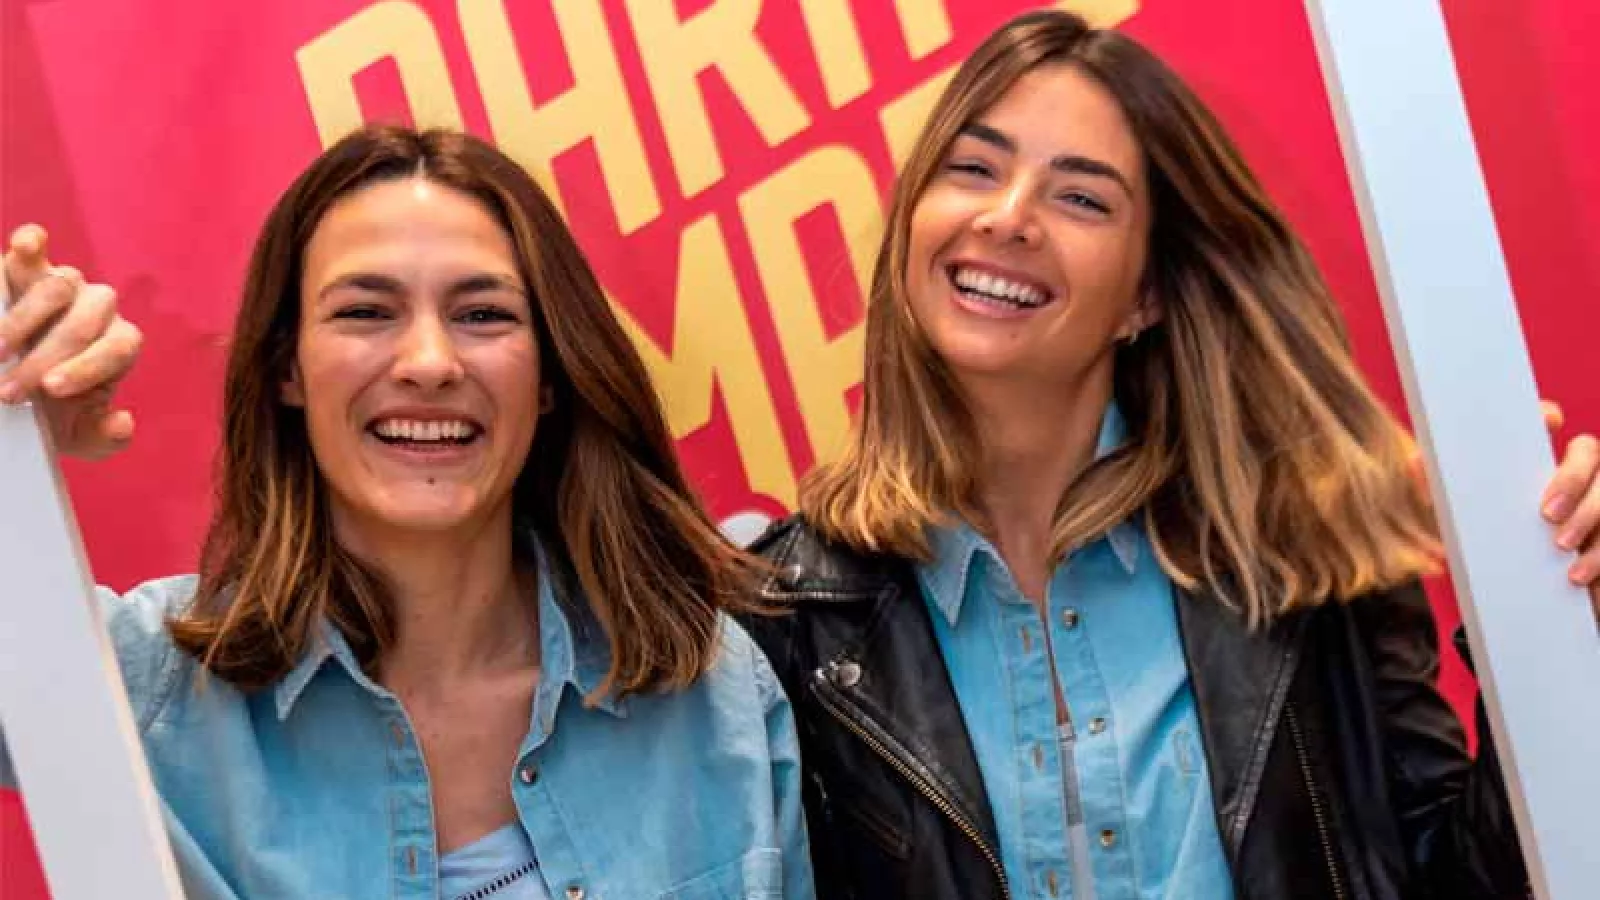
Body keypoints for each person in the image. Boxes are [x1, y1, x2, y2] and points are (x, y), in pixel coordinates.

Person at [742, 10, 1599, 900]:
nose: (1009, 217)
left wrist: (1557, 625)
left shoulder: (1303, 552)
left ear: (1144, 295)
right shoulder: (789, 620)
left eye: (1081, 198)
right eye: (973, 169)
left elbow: (1465, 880)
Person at [0, 125, 813, 900]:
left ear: (549, 376)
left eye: (483, 314)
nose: (429, 362)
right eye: (365, 312)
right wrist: (11, 429)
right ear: (288, 368)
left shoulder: (712, 691)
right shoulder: (140, 689)